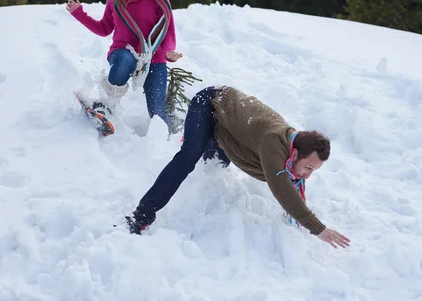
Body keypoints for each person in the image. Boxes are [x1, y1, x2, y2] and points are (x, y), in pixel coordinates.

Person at [126, 85, 351, 249]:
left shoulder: (293, 145)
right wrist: (317, 228)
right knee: (188, 158)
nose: (308, 176)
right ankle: (142, 214)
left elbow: (290, 180)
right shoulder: (274, 142)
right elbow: (281, 186)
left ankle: (204, 138)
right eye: (309, 167)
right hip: (209, 104)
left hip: (227, 128)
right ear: (294, 153)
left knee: (218, 162)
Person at [66, 0, 183, 133]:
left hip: (154, 55)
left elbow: (168, 29)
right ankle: (105, 105)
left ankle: (172, 140)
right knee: (125, 59)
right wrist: (79, 14)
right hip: (123, 50)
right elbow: (104, 28)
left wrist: (169, 51)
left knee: (158, 113)